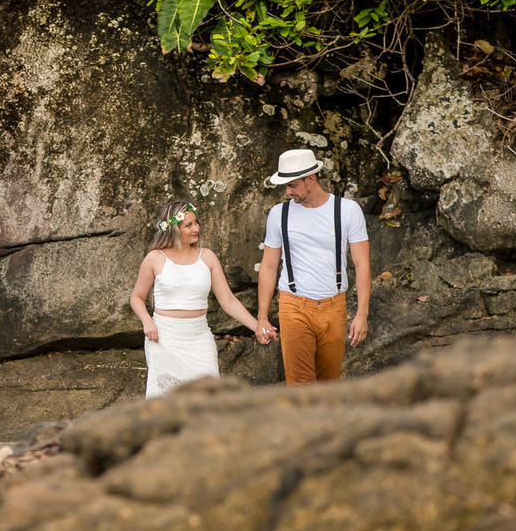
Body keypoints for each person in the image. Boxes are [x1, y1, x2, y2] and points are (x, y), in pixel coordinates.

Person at [255, 149, 371, 384]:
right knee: (300, 386)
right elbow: (268, 267)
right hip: (293, 304)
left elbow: (362, 264)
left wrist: (362, 314)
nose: (288, 192)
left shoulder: (347, 210)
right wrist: (262, 318)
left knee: (329, 384)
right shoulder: (279, 214)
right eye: (285, 186)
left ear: (311, 179)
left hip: (334, 305)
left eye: (293, 185)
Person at [130, 201, 267, 398]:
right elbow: (136, 297)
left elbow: (228, 300)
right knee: (166, 402)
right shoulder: (154, 258)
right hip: (164, 338)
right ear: (174, 229)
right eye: (189, 225)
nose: (196, 228)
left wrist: (257, 327)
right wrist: (147, 322)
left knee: (208, 399)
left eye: (196, 223)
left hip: (199, 339)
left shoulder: (208, 257)